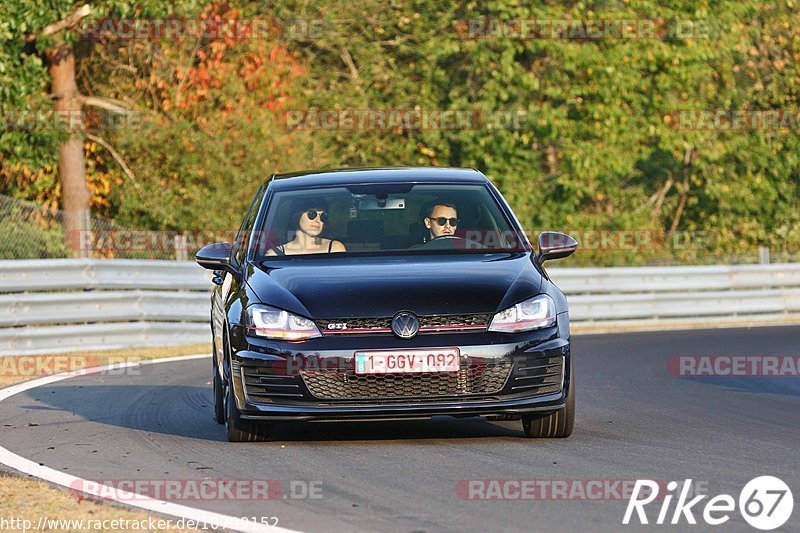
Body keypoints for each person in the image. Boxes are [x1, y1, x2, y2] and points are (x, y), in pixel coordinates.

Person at [266, 198, 346, 255]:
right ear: (297, 215)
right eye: (312, 214)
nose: (318, 220)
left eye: (323, 216)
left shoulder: (335, 248)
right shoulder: (274, 254)